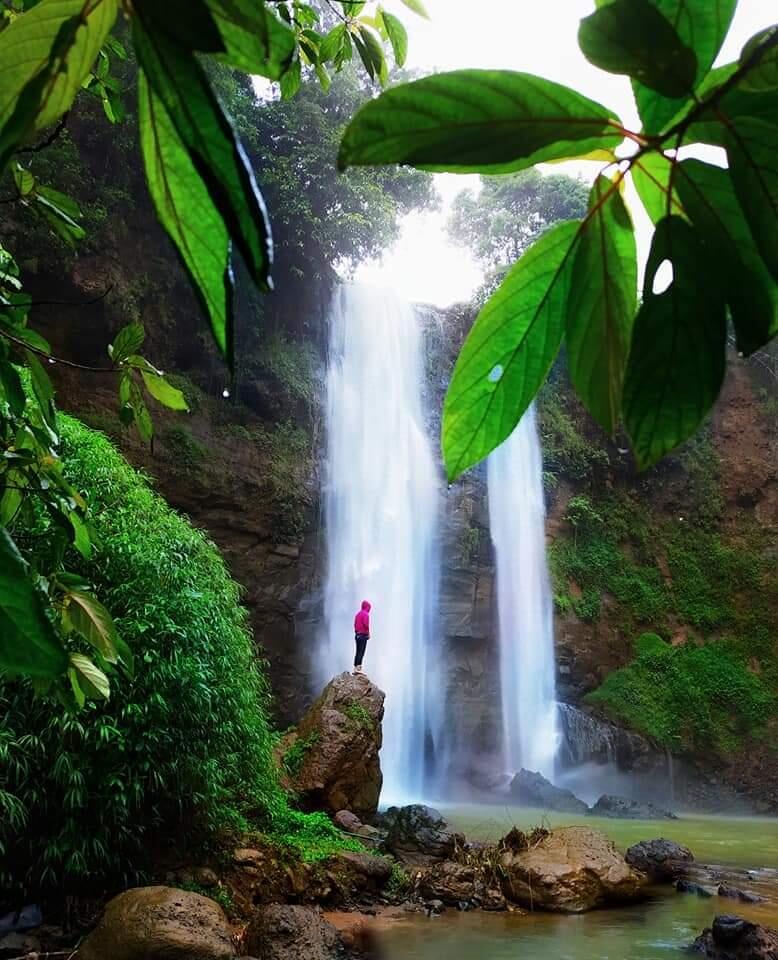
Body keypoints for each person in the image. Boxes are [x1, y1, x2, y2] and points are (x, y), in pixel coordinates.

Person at [353, 600, 371, 674]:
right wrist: (368, 633)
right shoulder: (365, 614)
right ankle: (358, 668)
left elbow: (355, 625)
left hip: (357, 635)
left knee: (357, 651)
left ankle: (355, 667)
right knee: (361, 651)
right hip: (363, 635)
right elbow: (366, 624)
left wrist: (357, 632)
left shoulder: (357, 614)